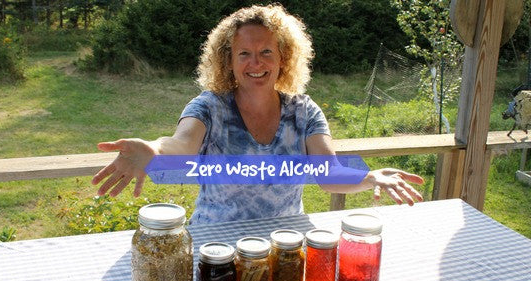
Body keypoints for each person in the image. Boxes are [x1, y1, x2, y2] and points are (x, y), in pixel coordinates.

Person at [91, 4, 424, 224]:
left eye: (266, 52)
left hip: (286, 245)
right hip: (215, 247)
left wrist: (370, 178)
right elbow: (181, 145)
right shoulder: (209, 107)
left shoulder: (304, 112)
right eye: (244, 54)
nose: (256, 63)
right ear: (228, 61)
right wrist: (154, 151)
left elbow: (327, 173)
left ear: (284, 58)